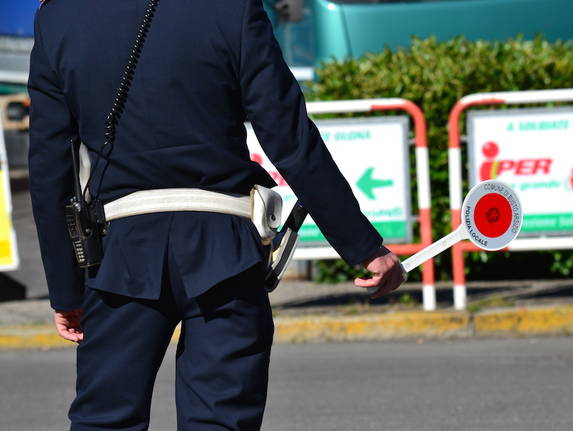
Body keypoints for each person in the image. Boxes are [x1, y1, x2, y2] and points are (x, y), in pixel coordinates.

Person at [27, 0, 405, 429]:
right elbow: (290, 136)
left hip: (120, 255)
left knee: (104, 421)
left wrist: (66, 289)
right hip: (222, 249)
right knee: (219, 421)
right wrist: (363, 246)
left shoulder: (60, 16)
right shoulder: (230, 6)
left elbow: (48, 168)